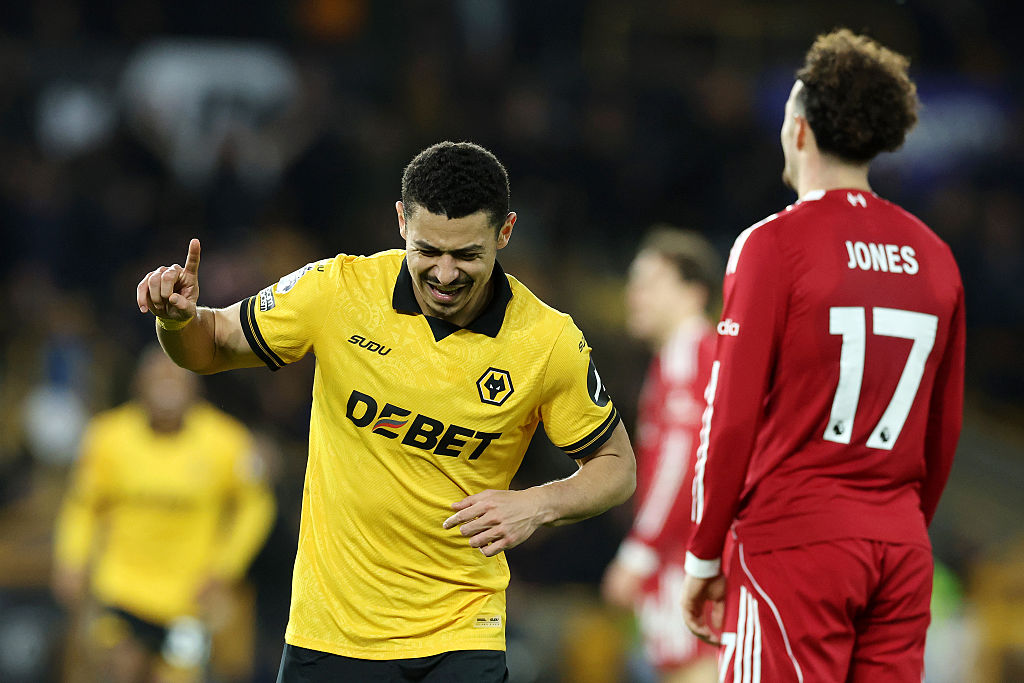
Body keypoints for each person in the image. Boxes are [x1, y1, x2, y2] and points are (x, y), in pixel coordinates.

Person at [135, 140, 637, 682]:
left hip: (460, 631)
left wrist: (537, 504)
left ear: (505, 233)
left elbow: (617, 466)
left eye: (467, 254)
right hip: (330, 633)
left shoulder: (547, 341)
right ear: (401, 221)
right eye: (427, 250)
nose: (445, 275)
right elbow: (209, 345)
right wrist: (177, 321)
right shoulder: (337, 290)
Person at [681, 28, 965, 682]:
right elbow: (942, 430)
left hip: (795, 543)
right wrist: (894, 526)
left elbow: (728, 417)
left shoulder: (772, 246)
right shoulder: (937, 257)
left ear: (800, 128)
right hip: (900, 548)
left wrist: (703, 556)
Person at [52, 346, 276, 683]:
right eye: (157, 378)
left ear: (194, 387)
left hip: (188, 600)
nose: (166, 386)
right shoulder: (108, 436)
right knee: (120, 670)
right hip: (122, 589)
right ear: (138, 385)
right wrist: (71, 559)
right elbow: (83, 504)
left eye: (175, 378)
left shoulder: (225, 442)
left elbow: (257, 506)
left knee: (176, 677)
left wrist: (226, 567)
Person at [601, 227, 721, 683]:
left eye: (650, 283)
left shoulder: (689, 356)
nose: (635, 296)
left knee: (694, 669)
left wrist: (640, 552)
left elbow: (682, 458)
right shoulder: (692, 356)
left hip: (686, 556)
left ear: (693, 293)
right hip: (698, 554)